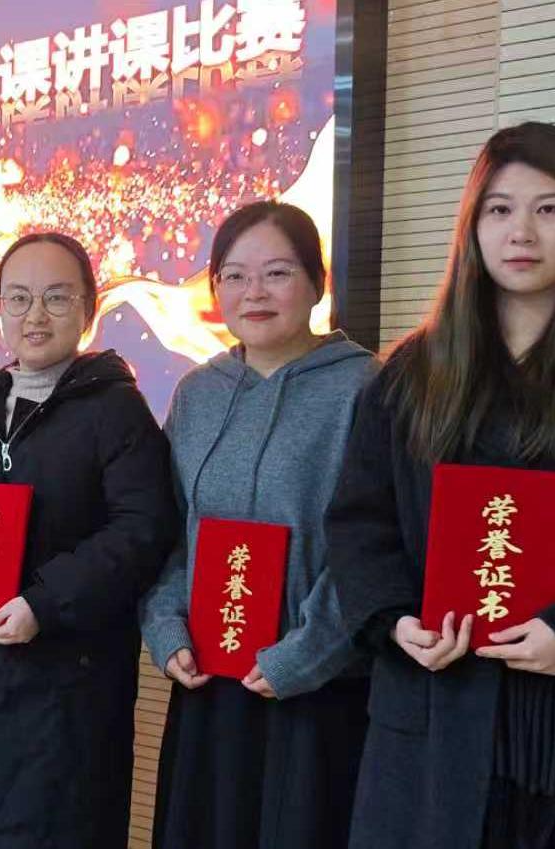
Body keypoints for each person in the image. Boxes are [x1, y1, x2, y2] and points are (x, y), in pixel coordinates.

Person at [326, 122, 555, 849]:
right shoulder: (410, 376)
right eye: (499, 209)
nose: (521, 231)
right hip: (441, 718)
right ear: (472, 227)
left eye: (548, 208)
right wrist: (395, 620)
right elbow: (358, 523)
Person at [0, 232, 178, 849]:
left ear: (89, 308)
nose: (35, 316)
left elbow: (141, 530)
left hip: (66, 680)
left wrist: (43, 603)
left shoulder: (116, 410)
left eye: (56, 297)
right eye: (19, 298)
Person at [139, 201, 375, 848]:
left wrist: (306, 654)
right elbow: (169, 530)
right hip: (209, 680)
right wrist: (166, 629)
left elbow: (374, 546)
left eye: (277, 273)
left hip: (318, 686)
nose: (255, 293)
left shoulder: (366, 388)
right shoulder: (197, 392)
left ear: (317, 283)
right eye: (235, 276)